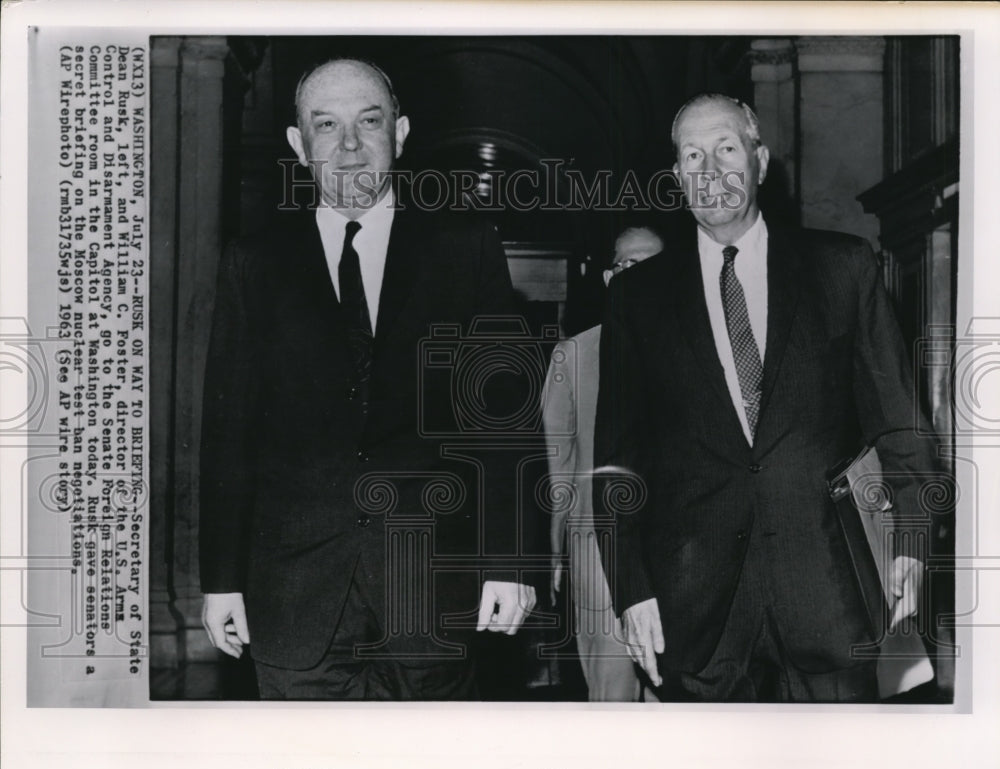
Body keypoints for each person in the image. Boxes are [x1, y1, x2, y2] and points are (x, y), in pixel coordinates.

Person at [199, 58, 536, 699]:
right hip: (292, 597)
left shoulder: (464, 248)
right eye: (326, 125)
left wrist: (511, 561)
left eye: (369, 121)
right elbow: (227, 429)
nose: (349, 145)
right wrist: (221, 579)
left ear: (401, 134)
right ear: (300, 146)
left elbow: (505, 418)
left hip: (430, 588)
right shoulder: (255, 262)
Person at [593, 93, 937, 702]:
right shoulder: (637, 298)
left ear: (760, 159)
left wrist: (910, 540)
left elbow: (898, 419)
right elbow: (617, 456)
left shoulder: (843, 268)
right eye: (691, 156)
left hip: (829, 590)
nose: (710, 170)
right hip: (693, 604)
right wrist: (631, 587)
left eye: (726, 148)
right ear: (676, 177)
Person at [541, 226, 663, 701]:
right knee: (615, 691)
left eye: (653, 266)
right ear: (610, 278)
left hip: (685, 545)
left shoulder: (701, 353)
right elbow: (560, 469)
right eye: (629, 266)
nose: (641, 278)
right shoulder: (573, 355)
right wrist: (557, 553)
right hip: (600, 546)